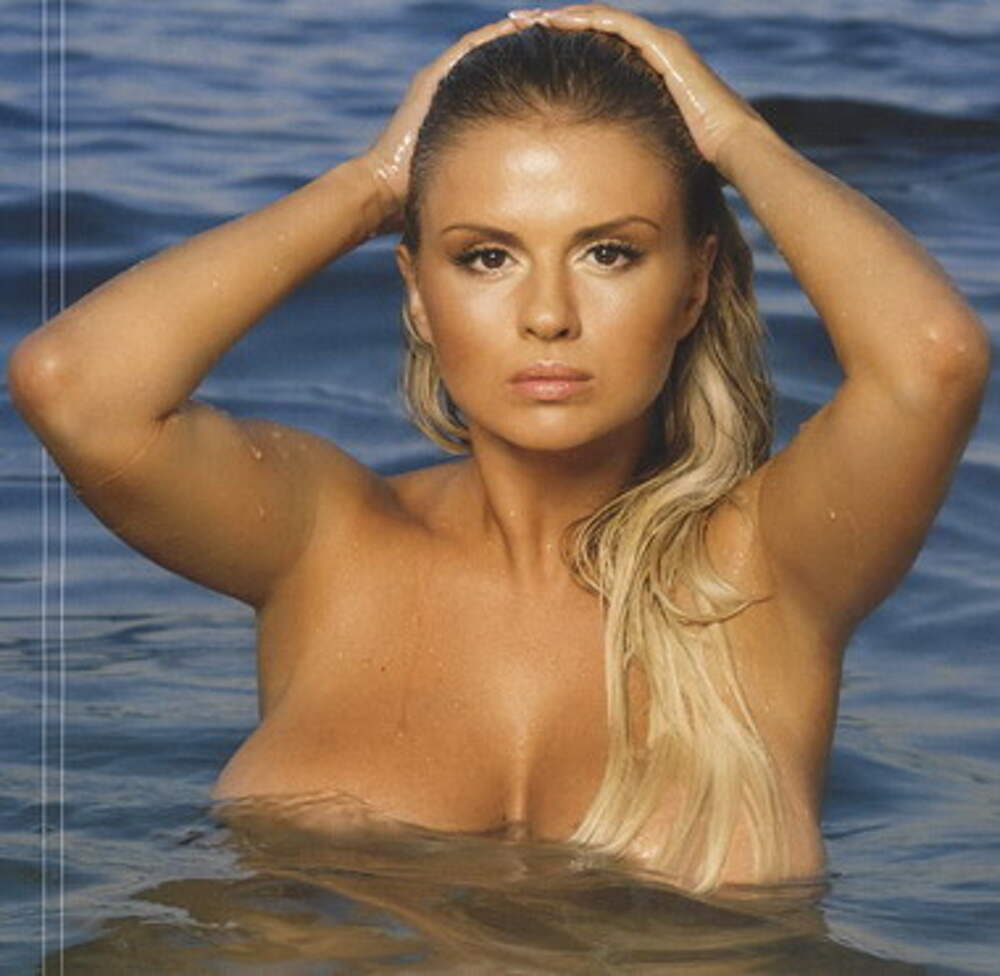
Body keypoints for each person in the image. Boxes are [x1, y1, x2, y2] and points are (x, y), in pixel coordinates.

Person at [8, 4, 989, 894]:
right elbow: (75, 388)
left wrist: (736, 137)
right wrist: (369, 184)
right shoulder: (326, 540)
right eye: (486, 256)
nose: (548, 314)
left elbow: (931, 362)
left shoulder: (767, 568)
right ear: (417, 294)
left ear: (692, 286)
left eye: (609, 252)